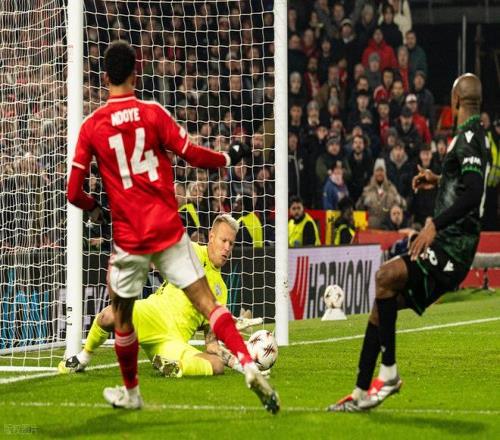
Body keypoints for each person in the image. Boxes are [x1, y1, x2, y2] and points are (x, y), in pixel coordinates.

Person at [67, 41, 279, 413]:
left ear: (104, 78)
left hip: (129, 238)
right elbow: (193, 155)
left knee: (122, 316)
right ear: (136, 75)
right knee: (209, 304)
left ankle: (131, 392)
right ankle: (248, 364)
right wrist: (228, 156)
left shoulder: (91, 127)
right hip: (167, 229)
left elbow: (73, 192)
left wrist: (97, 212)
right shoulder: (153, 113)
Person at [329, 73, 490, 412]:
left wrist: (433, 224)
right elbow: (465, 181)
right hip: (452, 246)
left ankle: (388, 373)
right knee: (383, 300)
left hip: (452, 247)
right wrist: (439, 179)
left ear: (455, 100)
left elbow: (473, 193)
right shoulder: (476, 136)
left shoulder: (468, 138)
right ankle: (360, 393)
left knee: (384, 276)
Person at [59, 215, 250, 377]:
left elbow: (211, 345)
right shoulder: (192, 251)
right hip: (152, 314)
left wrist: (239, 362)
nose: (227, 248)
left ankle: (174, 366)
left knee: (217, 365)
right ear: (211, 237)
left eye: (231, 243)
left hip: (173, 340)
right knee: (108, 315)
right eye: (223, 241)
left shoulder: (221, 291)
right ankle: (82, 358)